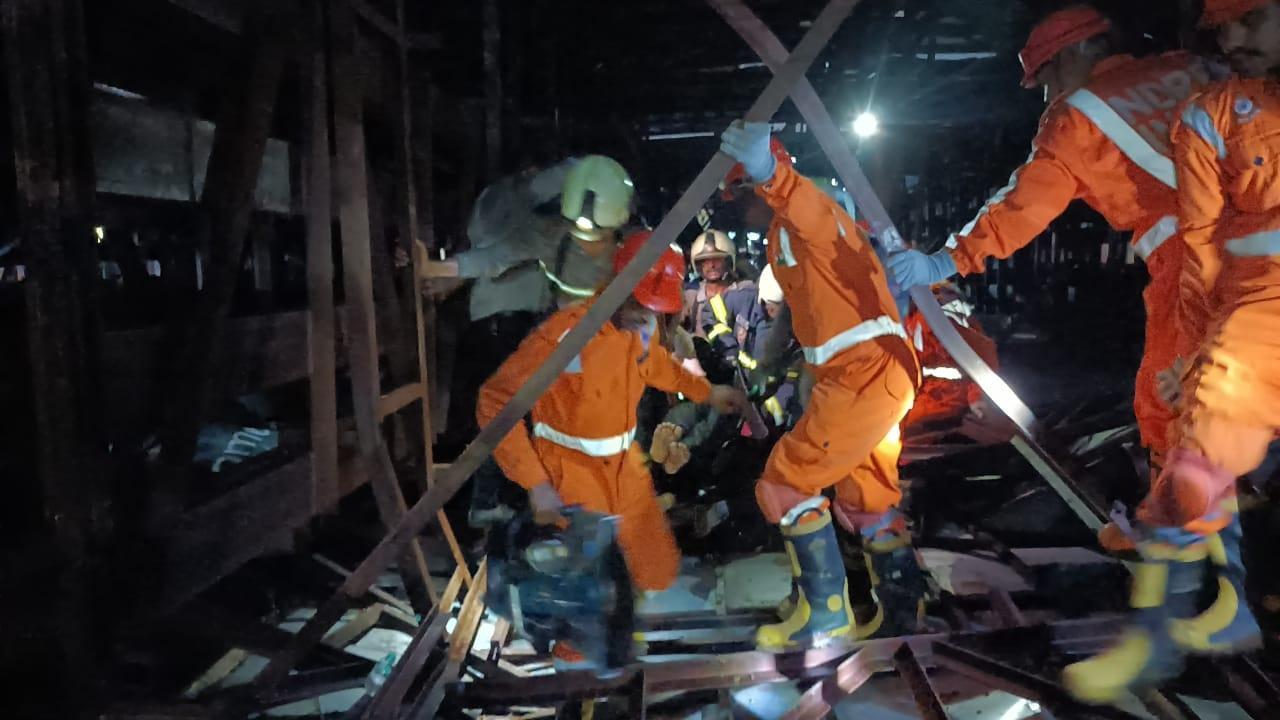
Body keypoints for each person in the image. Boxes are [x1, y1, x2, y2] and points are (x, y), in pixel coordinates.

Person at [885, 5, 1225, 550]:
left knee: (1171, 398)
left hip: (1197, 260)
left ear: (1073, 56)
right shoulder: (1192, 66)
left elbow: (1021, 206)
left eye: (1044, 80)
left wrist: (945, 259)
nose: (1044, 97)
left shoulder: (1078, 115)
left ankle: (1188, 548)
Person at [1062, 0, 1278, 703]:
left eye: (1250, 19)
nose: (1232, 38)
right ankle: (1186, 622)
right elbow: (1206, 245)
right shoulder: (1211, 109)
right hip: (1256, 305)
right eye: (1224, 29)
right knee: (1196, 454)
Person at [476, 229, 748, 664]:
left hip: (624, 464)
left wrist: (707, 392)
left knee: (655, 566)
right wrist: (535, 483)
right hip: (570, 470)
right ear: (619, 285)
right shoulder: (565, 336)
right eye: (641, 305)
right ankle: (579, 677)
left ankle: (618, 627)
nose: (646, 316)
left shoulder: (637, 328)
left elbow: (657, 366)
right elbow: (495, 402)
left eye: (654, 309)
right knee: (585, 590)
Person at [720, 121, 926, 649]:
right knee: (868, 500)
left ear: (752, 187)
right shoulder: (785, 234)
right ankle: (902, 614)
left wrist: (772, 175)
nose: (737, 209)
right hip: (872, 374)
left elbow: (809, 212)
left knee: (783, 484)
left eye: (739, 195)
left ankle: (827, 616)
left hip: (861, 373)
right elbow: (802, 314)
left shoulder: (802, 215)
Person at [418, 156, 635, 525]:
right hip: (557, 334)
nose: (589, 238)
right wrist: (437, 268)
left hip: (606, 341)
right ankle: (504, 505)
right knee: (507, 408)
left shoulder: (634, 247)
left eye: (599, 232)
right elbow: (495, 257)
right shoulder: (549, 233)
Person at [683, 230, 762, 376]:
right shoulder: (691, 297)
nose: (711, 265)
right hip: (705, 373)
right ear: (698, 265)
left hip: (743, 368)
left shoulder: (746, 292)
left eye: (717, 259)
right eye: (705, 261)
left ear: (728, 261)